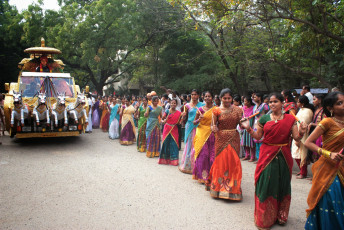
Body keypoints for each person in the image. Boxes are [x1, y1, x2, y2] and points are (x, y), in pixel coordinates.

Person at [240, 92, 307, 229]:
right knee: (266, 183)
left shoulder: (290, 119)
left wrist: (302, 132)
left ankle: (280, 215)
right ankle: (264, 217)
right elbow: (258, 137)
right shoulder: (263, 119)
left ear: (282, 103)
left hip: (284, 155)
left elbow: (296, 138)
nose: (272, 104)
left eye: (275, 101)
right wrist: (248, 128)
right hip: (267, 155)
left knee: (282, 184)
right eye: (270, 102)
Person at [304, 92, 344, 230]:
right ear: (330, 107)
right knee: (331, 202)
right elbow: (308, 142)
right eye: (339, 103)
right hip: (328, 168)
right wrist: (328, 154)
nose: (343, 105)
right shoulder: (327, 122)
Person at [205, 88, 243, 200]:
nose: (227, 100)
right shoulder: (216, 110)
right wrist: (213, 128)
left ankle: (233, 189)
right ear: (220, 98)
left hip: (234, 137)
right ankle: (218, 188)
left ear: (232, 98)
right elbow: (213, 125)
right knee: (220, 163)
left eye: (229, 98)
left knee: (234, 163)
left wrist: (245, 124)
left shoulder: (238, 110)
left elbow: (241, 125)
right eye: (224, 98)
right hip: (221, 138)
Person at [192, 91, 215, 183]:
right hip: (201, 132)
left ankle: (211, 175)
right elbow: (194, 122)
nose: (207, 98)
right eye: (205, 96)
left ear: (212, 98)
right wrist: (199, 119)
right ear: (203, 98)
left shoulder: (215, 109)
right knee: (203, 154)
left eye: (209, 96)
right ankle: (202, 176)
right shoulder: (200, 109)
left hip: (211, 133)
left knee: (211, 155)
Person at [179, 89, 204, 174]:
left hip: (199, 127)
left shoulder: (202, 105)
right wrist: (183, 116)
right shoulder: (187, 105)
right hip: (189, 126)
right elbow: (184, 118)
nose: (194, 96)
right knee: (189, 145)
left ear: (198, 96)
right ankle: (187, 166)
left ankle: (197, 166)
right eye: (192, 94)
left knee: (197, 145)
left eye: (195, 94)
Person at [291, 96, 314, 179]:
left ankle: (303, 172)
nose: (297, 103)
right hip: (297, 133)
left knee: (302, 153)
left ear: (302, 103)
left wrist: (300, 133)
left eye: (298, 102)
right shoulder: (301, 110)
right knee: (296, 154)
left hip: (303, 134)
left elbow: (303, 123)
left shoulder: (307, 111)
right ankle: (301, 170)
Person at [159, 98, 182, 165]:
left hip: (174, 129)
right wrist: (164, 121)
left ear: (176, 104)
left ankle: (174, 161)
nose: (173, 104)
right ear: (170, 104)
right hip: (167, 129)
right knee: (165, 143)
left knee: (174, 144)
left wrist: (182, 118)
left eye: (174, 103)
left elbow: (179, 123)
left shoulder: (179, 113)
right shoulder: (167, 111)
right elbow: (162, 119)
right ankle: (164, 159)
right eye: (172, 103)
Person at [308, 94, 326, 163]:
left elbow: (324, 123)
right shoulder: (316, 109)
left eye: (314, 99)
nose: (313, 101)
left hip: (320, 134)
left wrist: (313, 124)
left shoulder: (324, 110)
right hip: (315, 133)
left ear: (320, 100)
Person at [252, 92, 269, 161]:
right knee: (257, 142)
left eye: (255, 97)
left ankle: (263, 158)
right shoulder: (255, 106)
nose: (254, 98)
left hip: (263, 124)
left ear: (259, 98)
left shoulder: (264, 105)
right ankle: (258, 158)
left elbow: (268, 113)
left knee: (262, 141)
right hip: (256, 124)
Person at [241, 95, 256, 161]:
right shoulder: (243, 108)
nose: (244, 102)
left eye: (245, 101)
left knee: (251, 143)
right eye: (244, 101)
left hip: (251, 126)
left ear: (249, 102)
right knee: (245, 142)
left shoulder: (253, 108)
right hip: (245, 127)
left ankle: (252, 156)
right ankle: (247, 155)